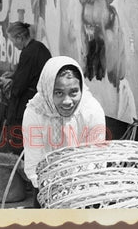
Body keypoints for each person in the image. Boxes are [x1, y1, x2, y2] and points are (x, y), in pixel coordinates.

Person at [21, 56, 106, 207]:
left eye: (73, 92)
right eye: (59, 93)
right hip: (46, 188)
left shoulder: (91, 111)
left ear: (81, 89)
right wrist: (53, 192)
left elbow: (96, 160)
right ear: (48, 91)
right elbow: (34, 164)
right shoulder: (36, 111)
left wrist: (76, 190)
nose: (67, 101)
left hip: (84, 188)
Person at [3, 22, 51, 152]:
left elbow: (20, 85)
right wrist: (14, 75)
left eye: (13, 41)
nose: (14, 45)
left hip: (29, 101)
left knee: (21, 141)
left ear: (20, 37)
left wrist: (8, 84)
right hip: (42, 101)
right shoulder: (39, 47)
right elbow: (32, 73)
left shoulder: (28, 53)